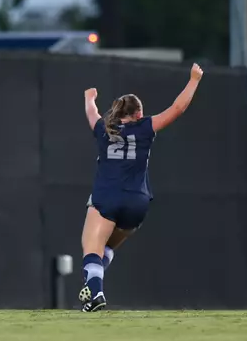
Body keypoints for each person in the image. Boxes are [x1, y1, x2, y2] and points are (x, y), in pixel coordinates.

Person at [78, 63, 204, 312]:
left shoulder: (104, 128)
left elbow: (91, 112)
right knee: (107, 248)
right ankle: (93, 286)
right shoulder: (145, 127)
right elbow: (178, 108)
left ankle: (96, 292)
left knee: (91, 249)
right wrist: (194, 80)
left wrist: (89, 97)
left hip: (107, 197)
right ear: (138, 114)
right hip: (137, 202)